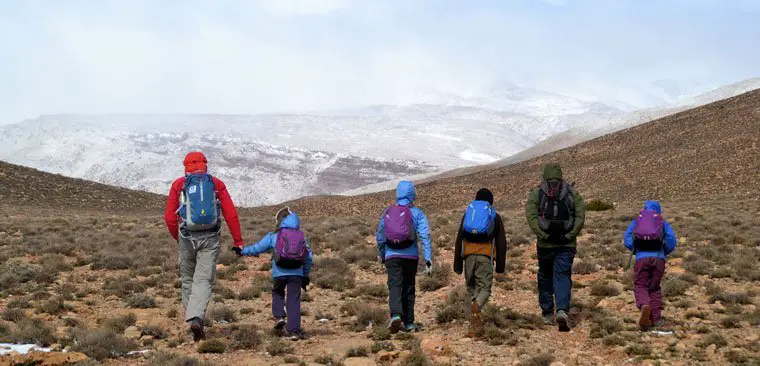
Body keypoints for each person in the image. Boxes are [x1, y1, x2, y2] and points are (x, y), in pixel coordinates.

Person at [164, 151, 244, 341]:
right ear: (205, 165)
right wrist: (238, 240)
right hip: (210, 237)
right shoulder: (216, 184)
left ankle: (192, 317)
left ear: (186, 166)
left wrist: (178, 237)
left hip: (186, 235)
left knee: (187, 278)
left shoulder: (179, 185)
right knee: (203, 279)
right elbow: (231, 214)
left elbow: (169, 217)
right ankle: (196, 318)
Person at [525, 163, 585, 332]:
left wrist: (543, 235)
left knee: (544, 275)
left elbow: (531, 216)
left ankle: (547, 312)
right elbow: (580, 215)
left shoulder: (537, 192)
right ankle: (562, 310)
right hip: (566, 244)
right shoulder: (572, 192)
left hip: (545, 245)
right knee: (562, 275)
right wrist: (570, 235)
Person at [240, 207, 313, 340]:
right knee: (293, 300)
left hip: (279, 273)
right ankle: (294, 331)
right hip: (296, 274)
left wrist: (242, 251)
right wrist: (305, 275)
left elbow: (257, 248)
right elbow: (309, 258)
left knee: (278, 292)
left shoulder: (274, 236)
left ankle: (279, 317)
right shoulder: (301, 236)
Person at [376, 180, 433, 333]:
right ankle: (409, 323)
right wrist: (428, 258)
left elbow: (380, 236)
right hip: (411, 256)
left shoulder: (388, 212)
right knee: (409, 287)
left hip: (391, 255)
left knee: (395, 285)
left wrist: (382, 254)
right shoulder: (417, 213)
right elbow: (425, 235)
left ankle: (395, 315)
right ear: (412, 194)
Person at [453, 188, 508, 336]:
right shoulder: (494, 216)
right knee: (484, 289)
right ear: (490, 201)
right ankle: (477, 308)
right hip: (485, 257)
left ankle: (474, 322)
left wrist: (457, 264)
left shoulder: (468, 215)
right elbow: (501, 244)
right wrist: (500, 267)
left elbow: (459, 239)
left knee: (471, 287)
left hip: (468, 257)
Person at [624, 200, 677, 332]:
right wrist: (664, 250)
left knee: (641, 285)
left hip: (642, 258)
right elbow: (671, 239)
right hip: (659, 258)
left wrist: (636, 249)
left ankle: (644, 305)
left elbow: (627, 238)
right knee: (654, 288)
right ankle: (656, 319)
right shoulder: (661, 222)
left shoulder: (637, 221)